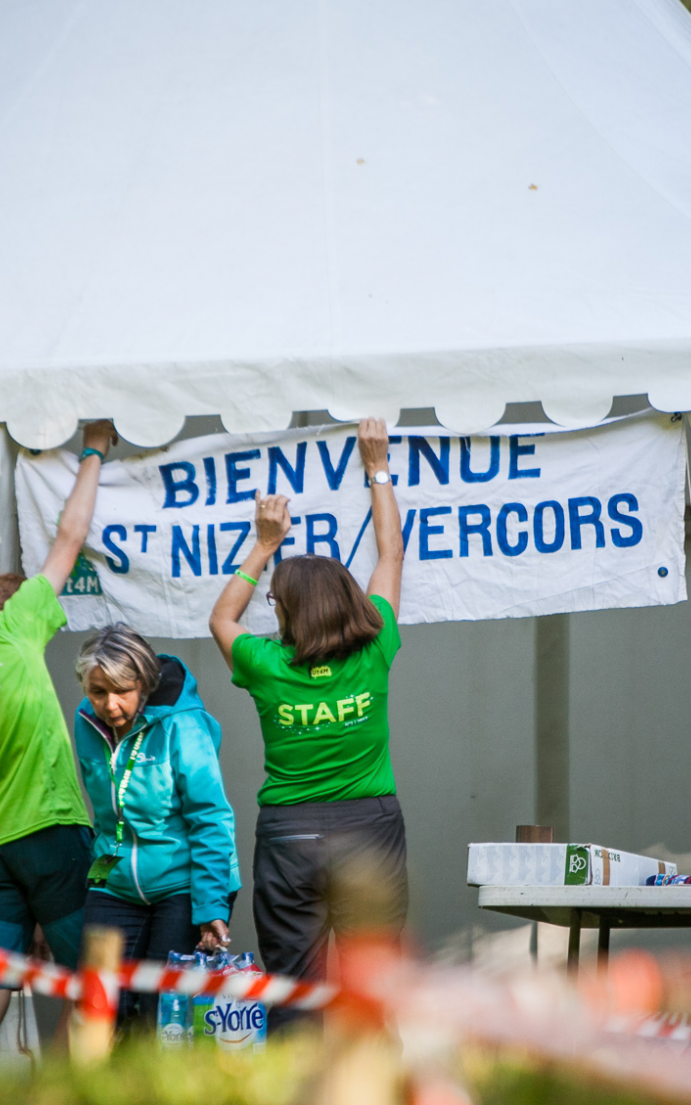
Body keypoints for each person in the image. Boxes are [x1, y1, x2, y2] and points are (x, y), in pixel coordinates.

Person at [0, 419, 114, 1079]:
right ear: (17, 610)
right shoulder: (17, 629)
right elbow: (69, 537)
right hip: (50, 830)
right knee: (88, 981)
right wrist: (93, 450)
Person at [209, 417, 406, 998]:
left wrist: (265, 543)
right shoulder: (375, 648)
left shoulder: (265, 665)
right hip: (369, 825)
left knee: (294, 990)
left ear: (288, 611)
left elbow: (221, 618)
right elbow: (390, 552)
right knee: (373, 983)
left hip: (289, 833)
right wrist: (377, 466)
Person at [72, 624, 241, 1029]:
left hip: (182, 885)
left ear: (144, 685)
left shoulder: (183, 725)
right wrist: (96, 880)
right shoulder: (85, 723)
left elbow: (211, 819)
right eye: (98, 692)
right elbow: (106, 820)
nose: (110, 705)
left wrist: (212, 905)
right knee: (98, 1009)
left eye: (122, 691)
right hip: (115, 880)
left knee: (158, 1014)